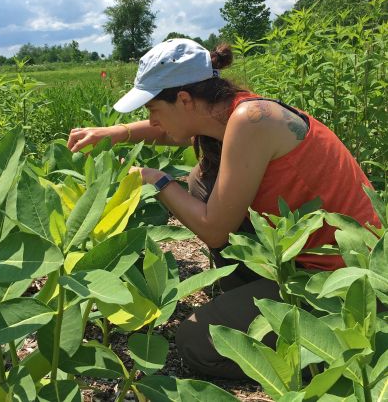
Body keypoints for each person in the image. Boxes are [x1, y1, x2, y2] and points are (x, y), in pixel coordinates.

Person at [67, 38, 380, 378]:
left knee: (196, 343)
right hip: (309, 256)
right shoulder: (232, 111)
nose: (151, 121)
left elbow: (214, 229)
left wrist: (155, 180)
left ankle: (342, 360)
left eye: (153, 110)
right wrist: (114, 133)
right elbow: (173, 133)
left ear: (184, 99)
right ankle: (250, 290)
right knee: (201, 180)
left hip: (347, 281)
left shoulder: (251, 122)